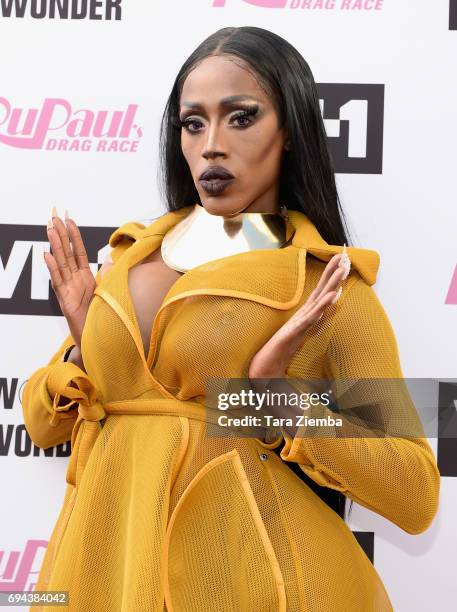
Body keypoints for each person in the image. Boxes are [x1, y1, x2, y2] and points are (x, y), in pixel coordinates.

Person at [22, 26, 440, 612]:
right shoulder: (130, 259)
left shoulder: (324, 284)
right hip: (103, 572)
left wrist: (272, 402)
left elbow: (415, 493)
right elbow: (43, 427)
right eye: (193, 123)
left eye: (240, 117)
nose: (211, 145)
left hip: (241, 581)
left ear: (290, 131)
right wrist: (82, 349)